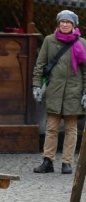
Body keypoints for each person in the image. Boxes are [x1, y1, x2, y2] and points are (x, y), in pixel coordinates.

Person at [32, 9, 86, 175]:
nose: (64, 24)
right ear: (58, 23)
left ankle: (67, 163)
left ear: (73, 25)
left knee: (71, 129)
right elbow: (40, 64)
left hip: (74, 91)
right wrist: (36, 85)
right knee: (51, 128)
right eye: (62, 21)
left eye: (68, 22)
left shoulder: (82, 43)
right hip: (54, 90)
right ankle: (47, 161)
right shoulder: (49, 40)